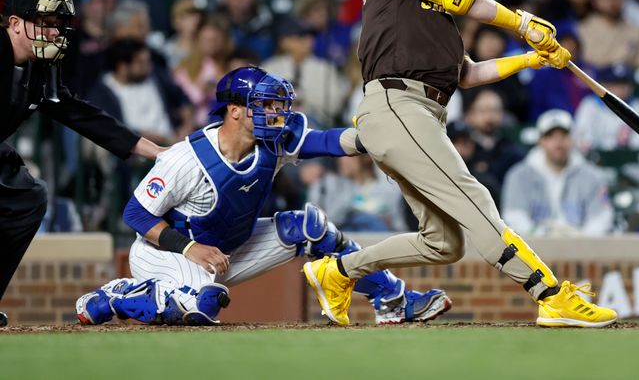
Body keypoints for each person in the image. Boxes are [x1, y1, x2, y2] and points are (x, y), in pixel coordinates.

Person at [303, 0, 616, 328]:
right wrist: (523, 23)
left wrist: (531, 59)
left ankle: (338, 271)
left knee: (443, 243)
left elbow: (467, 75)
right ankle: (551, 295)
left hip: (416, 116)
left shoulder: (427, 22)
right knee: (476, 203)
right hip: (399, 105)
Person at [75, 67, 451, 326]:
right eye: (267, 105)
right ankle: (117, 295)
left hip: (229, 248)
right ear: (235, 112)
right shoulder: (186, 159)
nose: (277, 114)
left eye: (277, 105)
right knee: (203, 306)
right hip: (169, 254)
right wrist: (190, 249)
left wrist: (371, 139)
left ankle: (395, 301)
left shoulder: (271, 141)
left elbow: (324, 141)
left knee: (311, 228)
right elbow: (136, 214)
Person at [0, 0, 165, 327]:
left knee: (28, 198)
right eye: (43, 22)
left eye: (57, 24)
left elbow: (80, 115)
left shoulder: (39, 69)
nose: (52, 31)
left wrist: (155, 151)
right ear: (14, 24)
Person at [501, 109, 613, 236]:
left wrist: (579, 239)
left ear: (573, 139)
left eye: (564, 135)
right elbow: (514, 217)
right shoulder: (519, 175)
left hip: (581, 251)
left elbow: (602, 218)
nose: (558, 143)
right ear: (540, 141)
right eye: (551, 136)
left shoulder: (592, 176)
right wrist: (542, 235)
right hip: (535, 250)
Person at [573, 64, 639, 152]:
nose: (620, 89)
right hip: (595, 161)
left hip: (629, 160)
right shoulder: (590, 105)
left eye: (624, 83)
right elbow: (582, 140)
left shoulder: (637, 105)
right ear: (603, 85)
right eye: (614, 84)